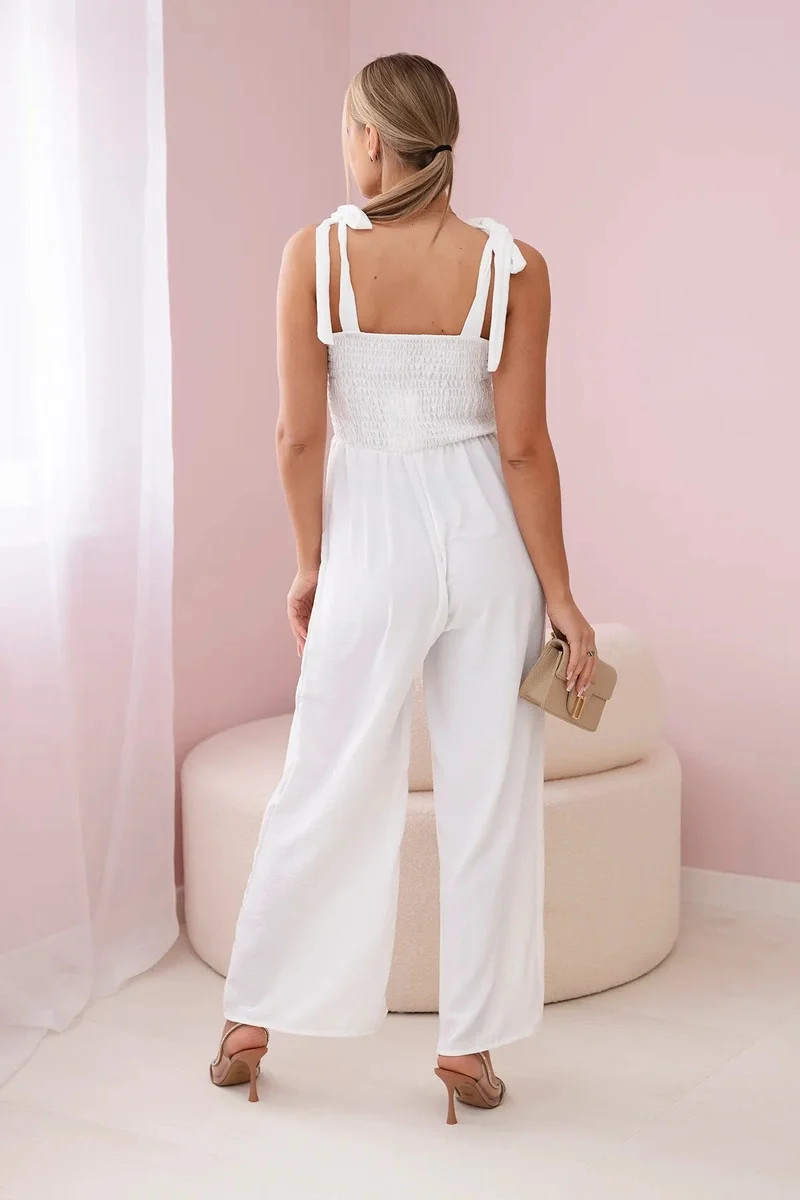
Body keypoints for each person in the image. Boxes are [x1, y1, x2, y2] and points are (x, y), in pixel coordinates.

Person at [209, 52, 597, 1125]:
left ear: (371, 140)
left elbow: (297, 436)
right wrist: (561, 596)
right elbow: (524, 448)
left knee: (323, 778)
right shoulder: (513, 266)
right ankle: (468, 1051)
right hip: (486, 541)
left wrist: (311, 562)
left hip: (371, 540)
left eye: (349, 129)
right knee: (490, 795)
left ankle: (250, 1022)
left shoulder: (316, 255)